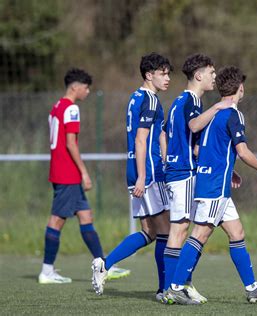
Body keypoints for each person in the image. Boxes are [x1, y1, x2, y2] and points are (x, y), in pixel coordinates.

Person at [166, 66, 257, 305]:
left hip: (215, 182)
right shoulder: (232, 114)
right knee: (200, 234)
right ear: (240, 88)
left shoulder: (213, 113)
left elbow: (201, 149)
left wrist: (230, 170)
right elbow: (243, 151)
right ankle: (175, 287)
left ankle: (252, 288)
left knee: (237, 233)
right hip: (214, 186)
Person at [91, 53, 171, 297]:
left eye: (169, 73)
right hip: (147, 172)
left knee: (150, 232)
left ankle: (104, 264)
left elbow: (156, 135)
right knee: (168, 233)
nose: (168, 78)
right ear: (149, 75)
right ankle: (164, 289)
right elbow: (141, 139)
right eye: (163, 73)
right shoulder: (150, 100)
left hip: (136, 170)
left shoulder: (136, 97)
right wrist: (143, 176)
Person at [40, 68, 130, 284]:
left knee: (86, 216)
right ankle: (47, 270)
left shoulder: (56, 107)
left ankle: (104, 265)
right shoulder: (71, 108)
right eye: (86, 87)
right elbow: (70, 143)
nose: (88, 91)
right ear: (74, 87)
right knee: (57, 221)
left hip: (61, 171)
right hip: (68, 173)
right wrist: (84, 172)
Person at [161, 53, 232, 303]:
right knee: (180, 229)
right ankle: (172, 289)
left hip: (179, 170)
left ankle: (180, 285)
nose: (214, 77)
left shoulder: (180, 100)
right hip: (182, 173)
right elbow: (193, 127)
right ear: (199, 75)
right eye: (211, 73)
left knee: (186, 229)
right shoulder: (191, 100)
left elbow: (171, 136)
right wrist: (217, 107)